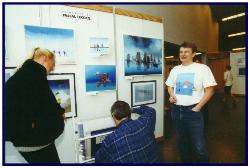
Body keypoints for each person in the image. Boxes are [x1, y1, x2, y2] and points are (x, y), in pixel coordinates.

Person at [5, 47, 65, 164]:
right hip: (36, 142)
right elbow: (49, 105)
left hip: (23, 141)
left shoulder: (18, 77)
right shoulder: (35, 75)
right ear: (44, 58)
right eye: (50, 67)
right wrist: (59, 113)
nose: (49, 71)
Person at [165, 42, 217, 163]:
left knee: (199, 144)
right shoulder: (175, 70)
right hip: (176, 110)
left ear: (193, 54)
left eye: (186, 52)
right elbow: (169, 86)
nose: (183, 54)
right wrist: (172, 95)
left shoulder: (202, 68)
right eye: (181, 52)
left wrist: (198, 107)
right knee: (181, 142)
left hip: (193, 110)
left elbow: (210, 90)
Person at [95, 101, 160, 163]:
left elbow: (98, 159)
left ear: (113, 116)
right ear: (129, 113)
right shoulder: (145, 123)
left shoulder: (110, 140)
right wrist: (132, 110)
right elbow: (150, 110)